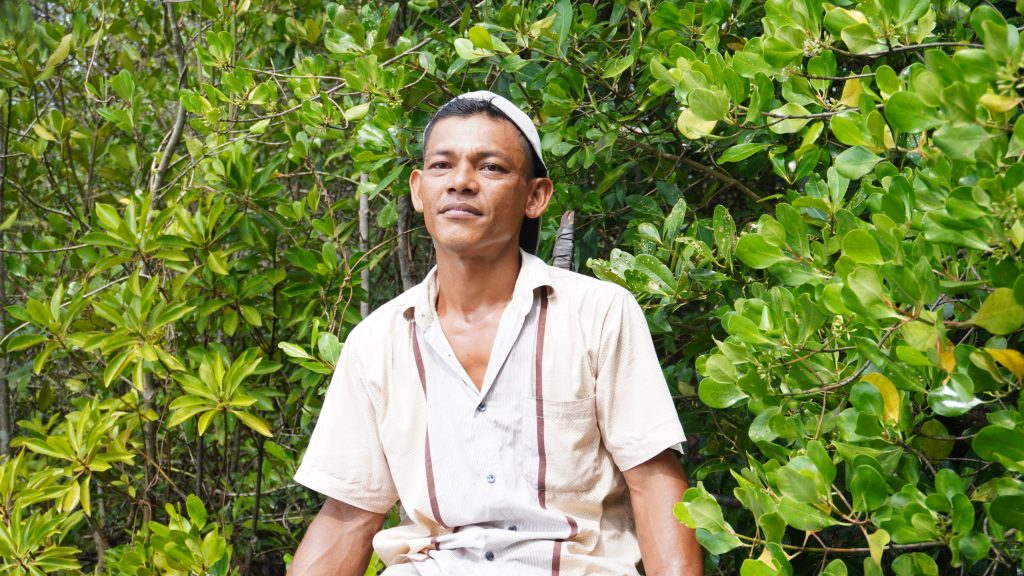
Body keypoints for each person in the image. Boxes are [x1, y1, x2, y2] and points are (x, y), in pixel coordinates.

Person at [289, 91, 703, 576]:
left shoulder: (600, 313)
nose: (461, 182)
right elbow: (348, 518)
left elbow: (654, 483)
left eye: (490, 168)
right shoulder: (375, 343)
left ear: (535, 197)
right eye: (442, 165)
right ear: (418, 189)